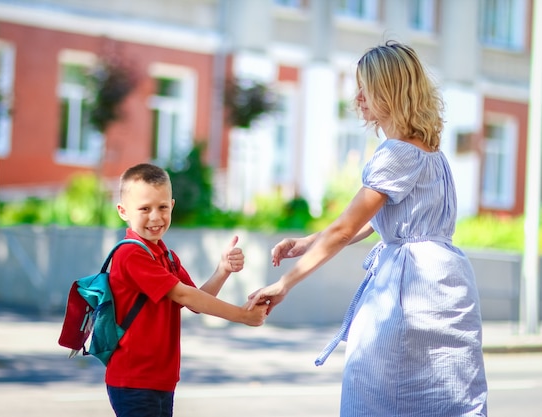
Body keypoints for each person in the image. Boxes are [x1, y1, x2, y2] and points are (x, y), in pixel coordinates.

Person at [247, 41, 488, 416]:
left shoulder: (395, 153)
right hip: (446, 281)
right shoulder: (432, 154)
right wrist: (309, 241)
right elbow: (379, 224)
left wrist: (284, 283)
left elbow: (347, 229)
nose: (358, 97)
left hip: (409, 290)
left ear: (388, 92)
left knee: (380, 390)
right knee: (446, 391)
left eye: (366, 87)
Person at [107, 163, 268, 417]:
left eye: (162, 207)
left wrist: (222, 270)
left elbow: (195, 300)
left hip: (160, 379)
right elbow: (183, 294)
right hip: (134, 380)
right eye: (144, 209)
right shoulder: (130, 254)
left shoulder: (165, 254)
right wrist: (241, 315)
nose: (155, 216)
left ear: (171, 205)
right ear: (123, 211)